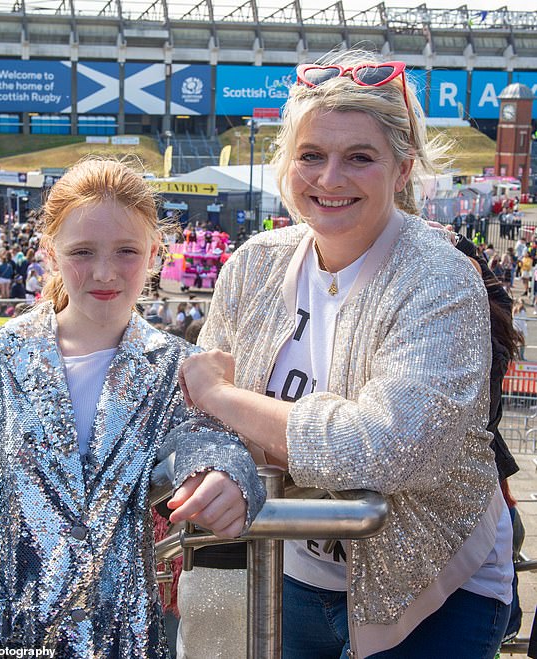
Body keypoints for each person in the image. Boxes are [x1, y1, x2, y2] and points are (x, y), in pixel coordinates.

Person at [178, 50, 513, 659]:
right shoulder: (255, 265)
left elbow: (389, 446)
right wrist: (217, 465)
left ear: (402, 169)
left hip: (435, 586)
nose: (329, 179)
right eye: (311, 155)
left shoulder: (439, 277)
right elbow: (196, 422)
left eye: (359, 157)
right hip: (288, 572)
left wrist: (226, 397)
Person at [0, 157, 265, 656]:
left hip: (122, 642)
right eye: (83, 252)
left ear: (154, 253)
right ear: (50, 254)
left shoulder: (178, 367)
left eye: (126, 251)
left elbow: (209, 438)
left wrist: (224, 472)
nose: (105, 273)